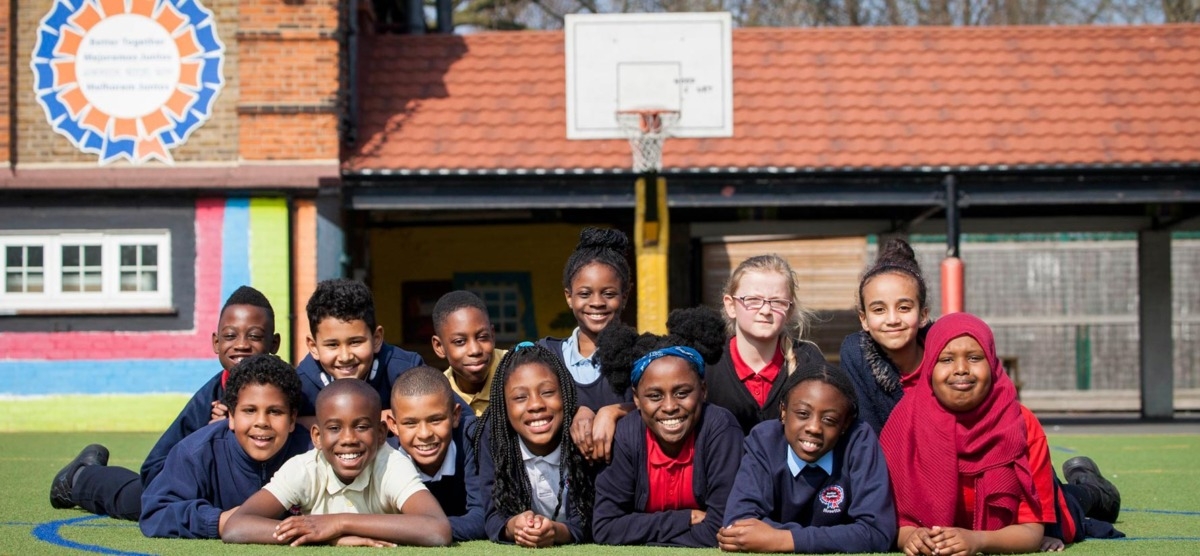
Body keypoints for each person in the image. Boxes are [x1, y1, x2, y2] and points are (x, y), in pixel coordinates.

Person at [880, 313, 1122, 556]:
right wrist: (910, 536)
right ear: (930, 366)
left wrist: (977, 541)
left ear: (993, 364)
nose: (961, 369)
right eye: (946, 359)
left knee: (1070, 506)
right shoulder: (904, 423)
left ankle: (1092, 486)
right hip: (981, 530)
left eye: (975, 358)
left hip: (1044, 511)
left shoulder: (1020, 423)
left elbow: (1031, 532)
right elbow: (889, 518)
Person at [50, 286, 281, 520]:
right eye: (230, 336)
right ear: (216, 342)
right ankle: (79, 477)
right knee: (136, 500)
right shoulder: (208, 399)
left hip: (239, 489)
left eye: (254, 336)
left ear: (274, 344)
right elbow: (154, 469)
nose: (241, 344)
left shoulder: (288, 388)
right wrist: (215, 435)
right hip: (184, 483)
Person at [222, 378, 451, 547]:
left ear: (381, 434)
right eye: (334, 428)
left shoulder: (391, 464)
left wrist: (339, 523)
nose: (349, 439)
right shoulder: (304, 468)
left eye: (361, 427)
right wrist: (333, 538)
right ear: (317, 437)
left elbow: (437, 530)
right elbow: (236, 527)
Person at [592, 306, 742, 547]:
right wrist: (684, 519)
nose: (670, 406)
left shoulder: (720, 429)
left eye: (682, 393)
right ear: (637, 400)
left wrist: (641, 533)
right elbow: (605, 528)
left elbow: (721, 528)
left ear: (703, 390)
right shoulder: (627, 436)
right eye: (654, 396)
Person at [719, 362, 896, 553]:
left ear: (845, 424)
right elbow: (737, 527)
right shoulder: (764, 440)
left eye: (829, 420)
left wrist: (784, 540)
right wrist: (841, 536)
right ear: (784, 411)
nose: (814, 428)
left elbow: (877, 533)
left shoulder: (859, 441)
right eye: (803, 414)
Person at [139, 354, 311, 539]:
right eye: (249, 410)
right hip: (156, 489)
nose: (262, 422)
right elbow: (155, 513)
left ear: (292, 419)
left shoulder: (311, 454)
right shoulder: (197, 452)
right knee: (123, 495)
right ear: (231, 415)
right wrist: (219, 521)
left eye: (275, 411)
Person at [475, 343, 594, 547]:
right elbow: (492, 514)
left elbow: (591, 518)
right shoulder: (494, 437)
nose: (536, 405)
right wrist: (514, 526)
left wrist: (556, 531)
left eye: (547, 392)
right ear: (504, 406)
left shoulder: (582, 435)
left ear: (565, 395)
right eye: (520, 397)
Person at [537, 227, 635, 463]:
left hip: (625, 489)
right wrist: (575, 411)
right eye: (585, 294)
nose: (597, 303)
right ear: (569, 297)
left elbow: (661, 407)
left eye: (609, 293)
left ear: (626, 295)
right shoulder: (545, 356)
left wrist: (614, 411)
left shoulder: (643, 355)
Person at [707, 254, 826, 435]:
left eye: (777, 302)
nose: (765, 310)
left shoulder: (808, 361)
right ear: (731, 306)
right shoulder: (709, 363)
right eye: (753, 300)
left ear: (789, 310)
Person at [296, 278, 424, 421]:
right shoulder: (301, 386)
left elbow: (434, 412)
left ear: (376, 339)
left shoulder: (407, 371)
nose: (345, 357)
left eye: (355, 342)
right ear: (313, 346)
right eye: (332, 345)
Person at [839, 238, 932, 434]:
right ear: (864, 319)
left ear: (923, 315)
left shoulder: (945, 352)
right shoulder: (856, 354)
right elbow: (865, 433)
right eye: (879, 309)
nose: (892, 319)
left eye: (904, 308)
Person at [387, 365, 485, 541]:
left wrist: (409, 529)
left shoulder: (473, 438)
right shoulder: (385, 456)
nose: (424, 434)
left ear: (455, 416)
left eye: (436, 420)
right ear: (393, 425)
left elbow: (482, 518)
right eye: (410, 423)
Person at [431, 290, 508, 417]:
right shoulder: (439, 395)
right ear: (439, 346)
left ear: (492, 335)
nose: (475, 350)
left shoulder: (517, 369)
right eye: (460, 341)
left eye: (483, 337)